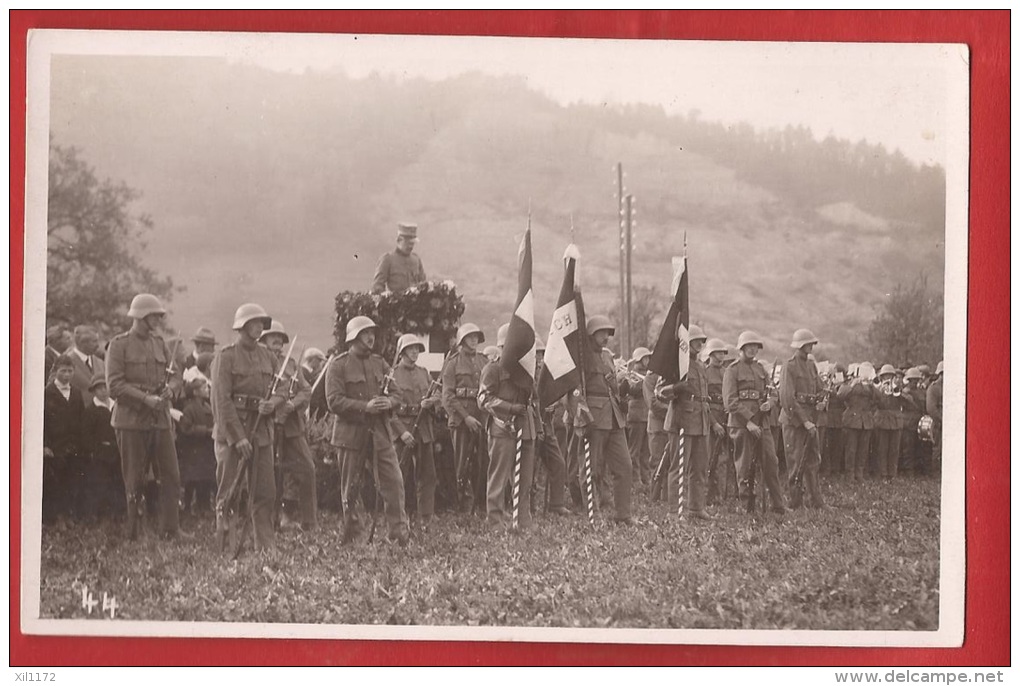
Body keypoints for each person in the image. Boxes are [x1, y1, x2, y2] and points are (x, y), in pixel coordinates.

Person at [326, 316, 409, 545]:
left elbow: (397, 393)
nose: (371, 337)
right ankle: (354, 535)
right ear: (353, 337)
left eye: (372, 333)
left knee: (393, 481)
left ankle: (398, 534)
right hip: (350, 435)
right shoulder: (338, 365)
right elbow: (333, 401)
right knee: (351, 487)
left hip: (380, 433)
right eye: (365, 333)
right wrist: (365, 407)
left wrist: (389, 403)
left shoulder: (380, 363)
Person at [105, 294, 182, 540]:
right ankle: (135, 531)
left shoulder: (160, 343)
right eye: (155, 315)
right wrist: (144, 399)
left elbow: (175, 375)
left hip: (159, 420)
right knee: (134, 478)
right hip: (131, 420)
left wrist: (172, 388)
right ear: (141, 316)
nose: (159, 319)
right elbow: (114, 386)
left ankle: (171, 528)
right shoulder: (119, 345)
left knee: (171, 475)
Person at [210, 303, 283, 552]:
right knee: (229, 490)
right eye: (254, 322)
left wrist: (272, 403)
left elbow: (283, 387)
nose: (259, 327)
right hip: (234, 432)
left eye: (262, 323)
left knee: (265, 490)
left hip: (261, 431)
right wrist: (237, 437)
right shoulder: (226, 356)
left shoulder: (268, 356)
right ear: (241, 326)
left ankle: (265, 543)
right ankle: (225, 543)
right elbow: (221, 399)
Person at [568, 315, 634, 524]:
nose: (606, 337)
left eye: (608, 333)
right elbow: (573, 391)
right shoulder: (581, 357)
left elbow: (613, 387)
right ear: (591, 334)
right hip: (593, 419)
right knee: (590, 468)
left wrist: (624, 392)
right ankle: (592, 512)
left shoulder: (607, 357)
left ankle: (623, 514)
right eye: (601, 333)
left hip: (615, 418)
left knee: (624, 465)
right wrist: (581, 417)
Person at [478, 326, 539, 529]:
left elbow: (536, 395)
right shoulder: (492, 369)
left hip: (526, 425)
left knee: (525, 478)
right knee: (499, 476)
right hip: (502, 427)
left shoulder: (527, 369)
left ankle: (522, 517)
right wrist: (509, 408)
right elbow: (483, 399)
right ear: (502, 347)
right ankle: (494, 519)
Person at [723, 331, 787, 515]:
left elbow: (773, 393)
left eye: (755, 347)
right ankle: (747, 506)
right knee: (744, 467)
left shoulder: (761, 370)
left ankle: (778, 505)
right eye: (748, 346)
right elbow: (730, 402)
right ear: (741, 348)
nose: (752, 349)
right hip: (742, 426)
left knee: (771, 463)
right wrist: (749, 422)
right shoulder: (732, 370)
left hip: (763, 423)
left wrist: (770, 403)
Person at [657, 324, 713, 519]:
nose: (699, 344)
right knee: (678, 466)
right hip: (682, 420)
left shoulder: (700, 366)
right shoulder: (676, 364)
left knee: (699, 467)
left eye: (701, 341)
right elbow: (660, 393)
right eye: (695, 340)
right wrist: (679, 387)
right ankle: (675, 510)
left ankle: (697, 508)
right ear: (685, 343)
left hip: (700, 420)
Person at [389, 333, 441, 526]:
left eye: (417, 349)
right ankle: (399, 514)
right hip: (403, 430)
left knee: (427, 474)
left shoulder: (423, 372)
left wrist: (432, 402)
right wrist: (401, 432)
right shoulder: (393, 374)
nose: (415, 352)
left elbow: (438, 395)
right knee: (400, 474)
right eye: (411, 348)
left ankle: (426, 514)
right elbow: (388, 410)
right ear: (402, 351)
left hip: (423, 429)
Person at [441, 323, 490, 513]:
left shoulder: (484, 361)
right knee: (462, 463)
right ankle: (462, 504)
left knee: (483, 462)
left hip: (482, 419)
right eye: (470, 337)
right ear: (462, 340)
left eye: (476, 337)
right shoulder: (452, 363)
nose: (474, 340)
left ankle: (481, 504)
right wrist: (466, 417)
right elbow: (448, 397)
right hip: (461, 422)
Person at [779, 329, 827, 509]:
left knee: (813, 460)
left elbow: (820, 389)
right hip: (794, 421)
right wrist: (804, 421)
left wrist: (822, 401)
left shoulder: (811, 366)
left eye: (812, 344)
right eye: (808, 344)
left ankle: (816, 500)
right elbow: (787, 398)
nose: (811, 347)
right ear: (799, 345)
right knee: (796, 461)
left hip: (811, 418)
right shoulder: (789, 366)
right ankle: (795, 502)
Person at [43, 354, 85, 523]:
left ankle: (69, 515)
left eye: (70, 371)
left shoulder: (76, 392)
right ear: (55, 371)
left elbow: (81, 419)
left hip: (73, 446)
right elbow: (42, 421)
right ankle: (57, 517)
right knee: (57, 483)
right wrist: (45, 445)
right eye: (63, 371)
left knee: (72, 480)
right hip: (55, 446)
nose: (67, 375)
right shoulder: (48, 393)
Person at [533, 340, 569, 516]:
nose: (539, 358)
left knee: (558, 464)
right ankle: (527, 506)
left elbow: (554, 395)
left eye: (541, 354)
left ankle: (556, 504)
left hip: (546, 427)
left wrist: (552, 405)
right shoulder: (523, 375)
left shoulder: (545, 376)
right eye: (536, 353)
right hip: (530, 428)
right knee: (529, 470)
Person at [81, 373, 124, 520]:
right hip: (101, 453)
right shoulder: (91, 411)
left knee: (118, 481)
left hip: (118, 450)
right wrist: (95, 450)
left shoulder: (116, 406)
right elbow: (86, 436)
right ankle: (97, 513)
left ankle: (118, 512)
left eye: (105, 387)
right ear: (93, 391)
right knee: (99, 482)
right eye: (99, 388)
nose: (103, 391)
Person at [176, 377, 216, 516]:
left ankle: (204, 506)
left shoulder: (208, 407)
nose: (207, 390)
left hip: (206, 450)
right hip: (194, 450)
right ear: (196, 392)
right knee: (192, 481)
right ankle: (188, 507)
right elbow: (185, 429)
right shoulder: (189, 409)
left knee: (205, 479)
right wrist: (205, 431)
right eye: (204, 388)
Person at [703, 338, 736, 505]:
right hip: (711, 420)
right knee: (710, 458)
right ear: (710, 354)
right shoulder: (704, 372)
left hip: (726, 419)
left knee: (725, 459)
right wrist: (713, 423)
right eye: (718, 353)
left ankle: (723, 495)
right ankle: (709, 495)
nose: (721, 356)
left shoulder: (727, 372)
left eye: (723, 353)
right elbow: (703, 403)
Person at [837, 362, 881, 482]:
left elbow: (879, 397)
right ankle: (850, 474)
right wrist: (852, 384)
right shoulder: (850, 384)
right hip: (852, 420)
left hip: (866, 421)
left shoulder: (870, 387)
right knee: (851, 449)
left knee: (863, 449)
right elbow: (840, 395)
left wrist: (872, 384)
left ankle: (859, 473)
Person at [619, 347, 652, 489]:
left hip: (647, 415)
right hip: (635, 415)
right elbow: (627, 391)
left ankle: (646, 478)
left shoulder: (649, 375)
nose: (648, 361)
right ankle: (635, 480)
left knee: (646, 451)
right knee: (635, 450)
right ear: (639, 360)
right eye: (645, 358)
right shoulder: (630, 375)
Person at [371, 222, 427, 294]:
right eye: (407, 243)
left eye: (412, 243)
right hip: (396, 303)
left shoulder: (416, 260)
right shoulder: (387, 259)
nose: (410, 246)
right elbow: (377, 287)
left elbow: (423, 284)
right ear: (399, 241)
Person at [68, 325, 106, 407]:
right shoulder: (66, 361)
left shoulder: (100, 362)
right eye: (94, 341)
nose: (98, 345)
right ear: (82, 343)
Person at [900, 367, 927, 475]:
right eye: (913, 380)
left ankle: (916, 469)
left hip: (918, 421)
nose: (915, 382)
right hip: (908, 422)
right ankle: (908, 470)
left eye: (916, 380)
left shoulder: (921, 392)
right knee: (908, 447)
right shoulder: (904, 392)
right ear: (909, 380)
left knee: (918, 446)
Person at [300, 347, 330, 423]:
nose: (320, 363)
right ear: (313, 359)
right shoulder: (303, 372)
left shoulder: (309, 373)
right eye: (319, 360)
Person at [926, 361, 943, 469]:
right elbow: (931, 408)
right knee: (938, 447)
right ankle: (935, 470)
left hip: (949, 422)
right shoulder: (934, 388)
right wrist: (941, 420)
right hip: (939, 422)